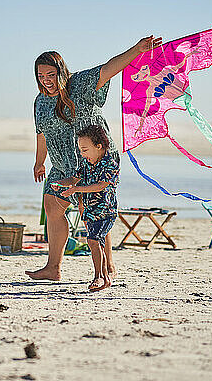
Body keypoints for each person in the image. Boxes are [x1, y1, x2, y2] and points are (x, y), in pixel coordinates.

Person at [26, 35, 162, 281]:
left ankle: (107, 267)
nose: (46, 81)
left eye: (50, 75)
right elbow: (41, 134)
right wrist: (39, 162)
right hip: (61, 165)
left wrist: (137, 49)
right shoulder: (40, 102)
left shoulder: (79, 84)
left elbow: (110, 67)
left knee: (93, 212)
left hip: (93, 160)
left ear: (61, 72)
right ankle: (53, 267)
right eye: (41, 76)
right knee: (52, 206)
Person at [51, 125, 119, 291]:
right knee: (96, 242)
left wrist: (76, 189)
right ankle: (105, 277)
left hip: (105, 212)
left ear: (99, 146)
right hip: (90, 210)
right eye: (81, 150)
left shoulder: (110, 164)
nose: (82, 154)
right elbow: (75, 178)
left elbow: (100, 186)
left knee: (93, 240)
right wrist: (61, 183)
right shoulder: (87, 163)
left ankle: (99, 277)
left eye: (85, 150)